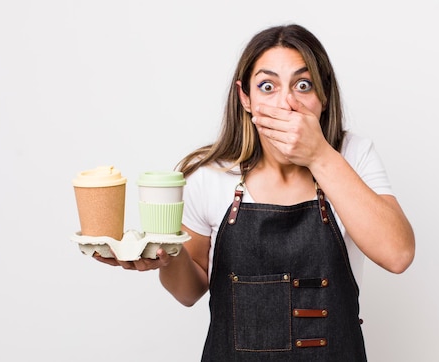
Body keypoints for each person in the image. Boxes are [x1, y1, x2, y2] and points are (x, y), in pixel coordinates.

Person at [95, 23, 415, 361]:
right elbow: (189, 292)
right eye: (267, 86)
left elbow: (398, 255)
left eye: (303, 85)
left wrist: (320, 155)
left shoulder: (351, 156)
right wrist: (165, 258)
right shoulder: (211, 176)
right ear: (245, 98)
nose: (287, 102)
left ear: (323, 95)